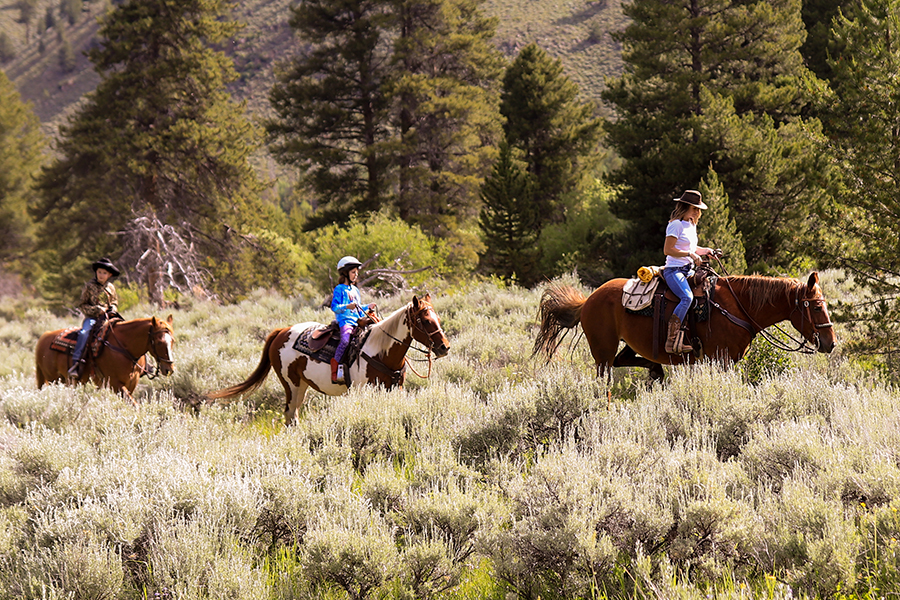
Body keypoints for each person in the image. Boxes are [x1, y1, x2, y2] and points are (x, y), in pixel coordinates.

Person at [662, 190, 716, 354]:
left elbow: (692, 248)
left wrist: (706, 250)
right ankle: (671, 341)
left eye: (698, 209)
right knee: (687, 297)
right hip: (674, 270)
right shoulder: (675, 224)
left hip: (688, 270)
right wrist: (690, 254)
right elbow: (668, 250)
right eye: (695, 208)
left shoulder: (691, 225)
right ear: (685, 207)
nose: (697, 212)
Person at [68, 257, 121, 377]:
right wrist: (97, 309)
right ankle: (76, 364)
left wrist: (113, 308)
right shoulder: (89, 286)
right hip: (92, 318)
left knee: (125, 330)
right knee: (84, 333)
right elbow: (82, 304)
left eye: (104, 273)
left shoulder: (111, 287)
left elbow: (114, 301)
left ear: (109, 274)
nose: (101, 275)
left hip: (108, 318)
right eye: (99, 272)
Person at [330, 256, 376, 383]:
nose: (356, 275)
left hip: (357, 321)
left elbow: (358, 307)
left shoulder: (355, 290)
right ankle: (335, 370)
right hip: (345, 321)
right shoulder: (339, 289)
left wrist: (368, 306)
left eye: (357, 272)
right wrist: (346, 306)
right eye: (353, 272)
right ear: (345, 273)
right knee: (345, 340)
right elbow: (334, 307)